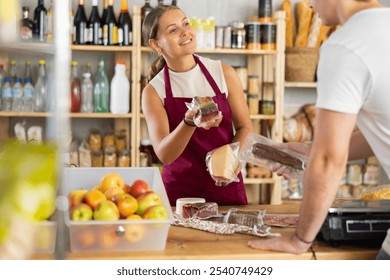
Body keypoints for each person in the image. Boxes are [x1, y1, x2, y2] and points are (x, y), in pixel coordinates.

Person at [248, 0, 390, 260]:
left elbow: (329, 160)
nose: (310, 4)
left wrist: (300, 239)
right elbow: (382, 132)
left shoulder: (346, 45)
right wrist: (313, 148)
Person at [141, 5, 252, 206]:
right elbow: (165, 155)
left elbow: (245, 127)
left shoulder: (223, 73)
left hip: (226, 187)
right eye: (173, 30)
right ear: (156, 45)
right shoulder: (154, 91)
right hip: (180, 196)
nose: (185, 32)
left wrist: (233, 155)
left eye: (186, 24)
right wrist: (189, 122)